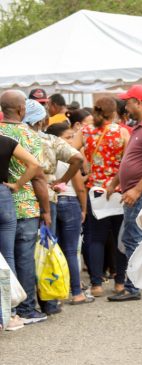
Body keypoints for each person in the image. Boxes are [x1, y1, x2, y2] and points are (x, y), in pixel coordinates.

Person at [24, 99, 83, 315]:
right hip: (48, 195)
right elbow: (77, 159)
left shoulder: (18, 139)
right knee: (46, 248)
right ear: (43, 120)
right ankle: (49, 302)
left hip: (22, 197)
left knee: (26, 252)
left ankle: (26, 303)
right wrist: (63, 182)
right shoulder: (49, 140)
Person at [106, 84, 142, 302]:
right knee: (139, 237)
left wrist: (137, 189)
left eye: (128, 101)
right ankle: (141, 284)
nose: (125, 105)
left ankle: (133, 287)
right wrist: (115, 182)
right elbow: (132, 160)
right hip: (137, 191)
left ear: (137, 102)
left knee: (132, 238)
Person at [0, 90, 50, 325]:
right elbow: (38, 176)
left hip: (4, 200)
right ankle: (28, 307)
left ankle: (8, 309)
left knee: (5, 258)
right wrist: (46, 209)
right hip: (26, 204)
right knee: (24, 257)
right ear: (22, 110)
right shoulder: (30, 136)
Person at [73, 96, 130, 298]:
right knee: (119, 237)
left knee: (95, 237)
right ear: (114, 112)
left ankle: (96, 284)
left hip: (94, 190)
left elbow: (71, 152)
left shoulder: (85, 131)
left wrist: (86, 168)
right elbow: (129, 161)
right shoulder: (121, 132)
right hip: (117, 190)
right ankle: (120, 283)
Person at [46, 122, 94, 305]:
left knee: (52, 249)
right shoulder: (69, 155)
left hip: (52, 202)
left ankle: (55, 295)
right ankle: (77, 292)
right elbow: (79, 187)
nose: (72, 140)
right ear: (58, 138)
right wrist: (83, 209)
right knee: (71, 250)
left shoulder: (46, 153)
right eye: (68, 137)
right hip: (70, 201)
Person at [0, 134, 42, 331]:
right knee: (8, 257)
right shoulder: (6, 141)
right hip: (3, 197)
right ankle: (10, 314)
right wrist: (17, 185)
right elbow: (34, 164)